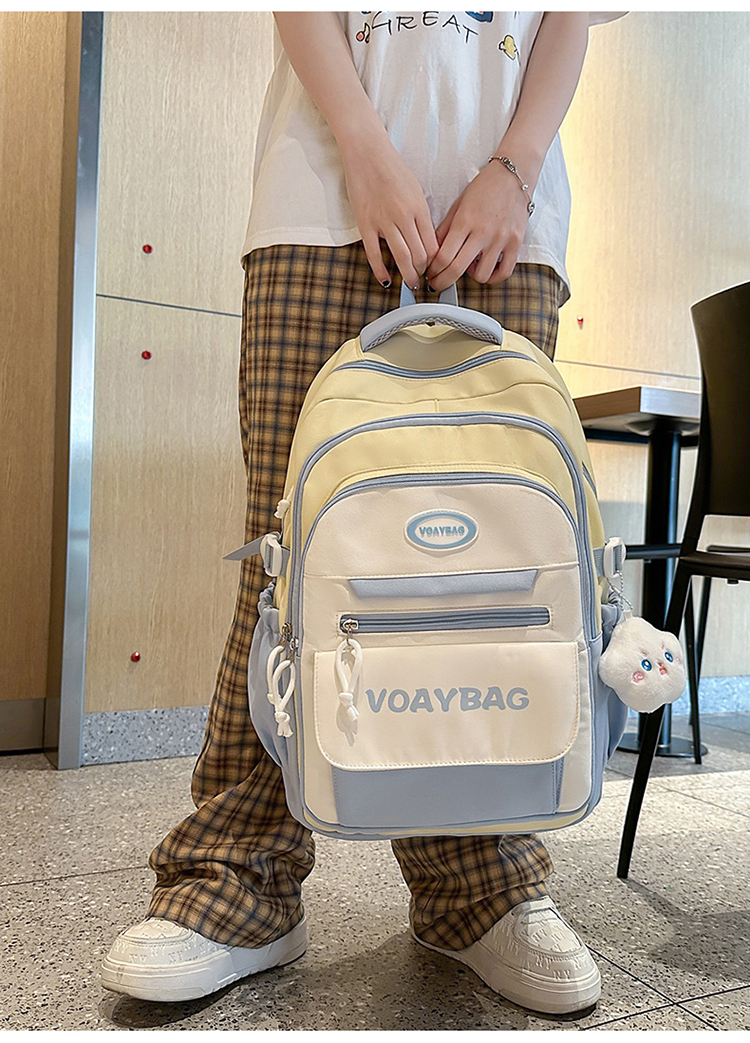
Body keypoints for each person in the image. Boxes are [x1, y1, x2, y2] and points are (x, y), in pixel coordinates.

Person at [101, 10, 627, 1016]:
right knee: (287, 560)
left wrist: (514, 171)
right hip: (318, 201)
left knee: (484, 564)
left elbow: (571, 16)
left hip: (507, 227)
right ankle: (236, 878)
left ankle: (478, 886)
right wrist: (364, 147)